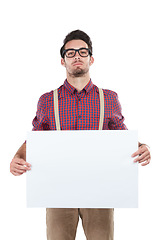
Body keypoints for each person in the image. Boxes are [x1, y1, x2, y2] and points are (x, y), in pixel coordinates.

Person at [10, 30, 151, 240]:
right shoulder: (47, 100)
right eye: (71, 52)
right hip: (57, 190)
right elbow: (36, 135)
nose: (77, 56)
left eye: (83, 52)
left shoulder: (109, 98)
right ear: (62, 60)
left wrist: (142, 146)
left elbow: (121, 134)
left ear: (91, 59)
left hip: (100, 190)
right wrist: (18, 157)